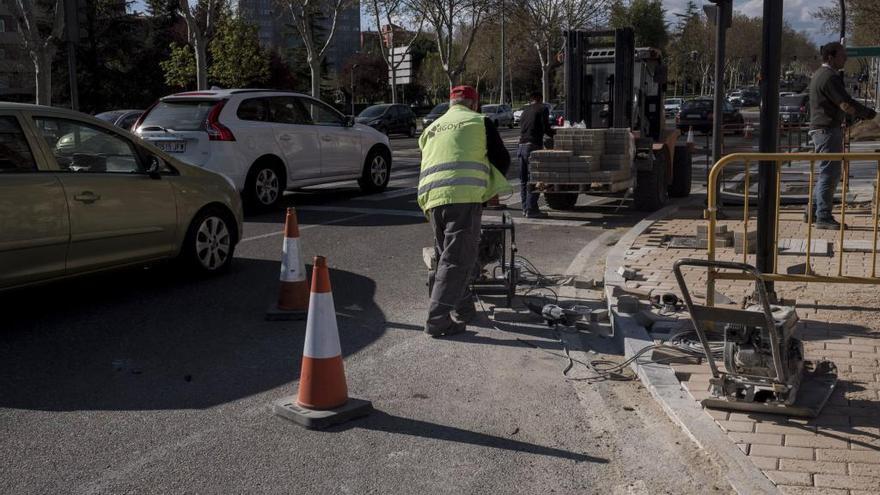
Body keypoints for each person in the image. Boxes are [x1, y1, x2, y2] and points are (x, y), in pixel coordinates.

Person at [418, 85, 511, 337]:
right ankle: (437, 321)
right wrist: (489, 188)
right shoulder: (480, 122)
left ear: (450, 104)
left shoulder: (431, 128)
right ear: (474, 104)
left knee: (447, 257)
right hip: (463, 198)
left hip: (432, 199)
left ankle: (464, 308)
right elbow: (502, 160)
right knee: (457, 260)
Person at [808, 42, 877, 229]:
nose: (845, 58)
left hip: (823, 129)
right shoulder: (829, 77)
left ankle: (813, 212)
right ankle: (823, 216)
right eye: (842, 55)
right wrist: (871, 116)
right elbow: (846, 103)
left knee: (825, 173)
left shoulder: (820, 74)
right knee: (830, 174)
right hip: (827, 130)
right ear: (830, 57)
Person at [518, 91, 555, 218]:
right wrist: (559, 134)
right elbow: (546, 128)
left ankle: (525, 208)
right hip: (533, 147)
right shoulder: (543, 109)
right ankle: (531, 210)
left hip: (521, 147)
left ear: (531, 99)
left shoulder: (524, 111)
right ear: (540, 99)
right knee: (534, 179)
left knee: (523, 180)